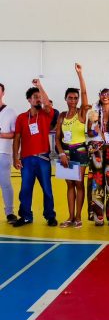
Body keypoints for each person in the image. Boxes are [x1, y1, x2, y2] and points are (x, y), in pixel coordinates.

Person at [12, 79, 57, 227]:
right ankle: (25, 216)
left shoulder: (46, 114)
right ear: (29, 100)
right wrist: (15, 157)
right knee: (25, 190)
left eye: (40, 97)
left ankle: (50, 216)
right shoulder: (21, 118)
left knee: (47, 189)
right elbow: (17, 138)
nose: (38, 99)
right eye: (35, 97)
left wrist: (39, 86)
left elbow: (48, 105)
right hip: (26, 160)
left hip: (43, 158)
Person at [55, 64, 91, 228]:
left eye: (76, 98)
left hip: (80, 150)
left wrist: (80, 74)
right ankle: (70, 217)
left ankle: (78, 217)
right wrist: (61, 153)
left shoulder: (82, 112)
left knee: (78, 183)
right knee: (69, 184)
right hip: (66, 152)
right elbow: (57, 139)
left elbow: (84, 93)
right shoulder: (62, 116)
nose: (73, 100)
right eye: (70, 98)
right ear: (66, 99)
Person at [87, 88, 109, 226]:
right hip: (96, 149)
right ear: (99, 96)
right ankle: (98, 216)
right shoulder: (94, 112)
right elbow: (89, 133)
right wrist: (94, 130)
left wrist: (100, 133)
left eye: (108, 94)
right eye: (103, 94)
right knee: (96, 182)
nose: (105, 96)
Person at [0, 83, 18, 224]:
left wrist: (0, 134)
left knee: (5, 183)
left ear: (3, 93)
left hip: (3, 152)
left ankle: (10, 212)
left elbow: (14, 134)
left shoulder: (10, 112)